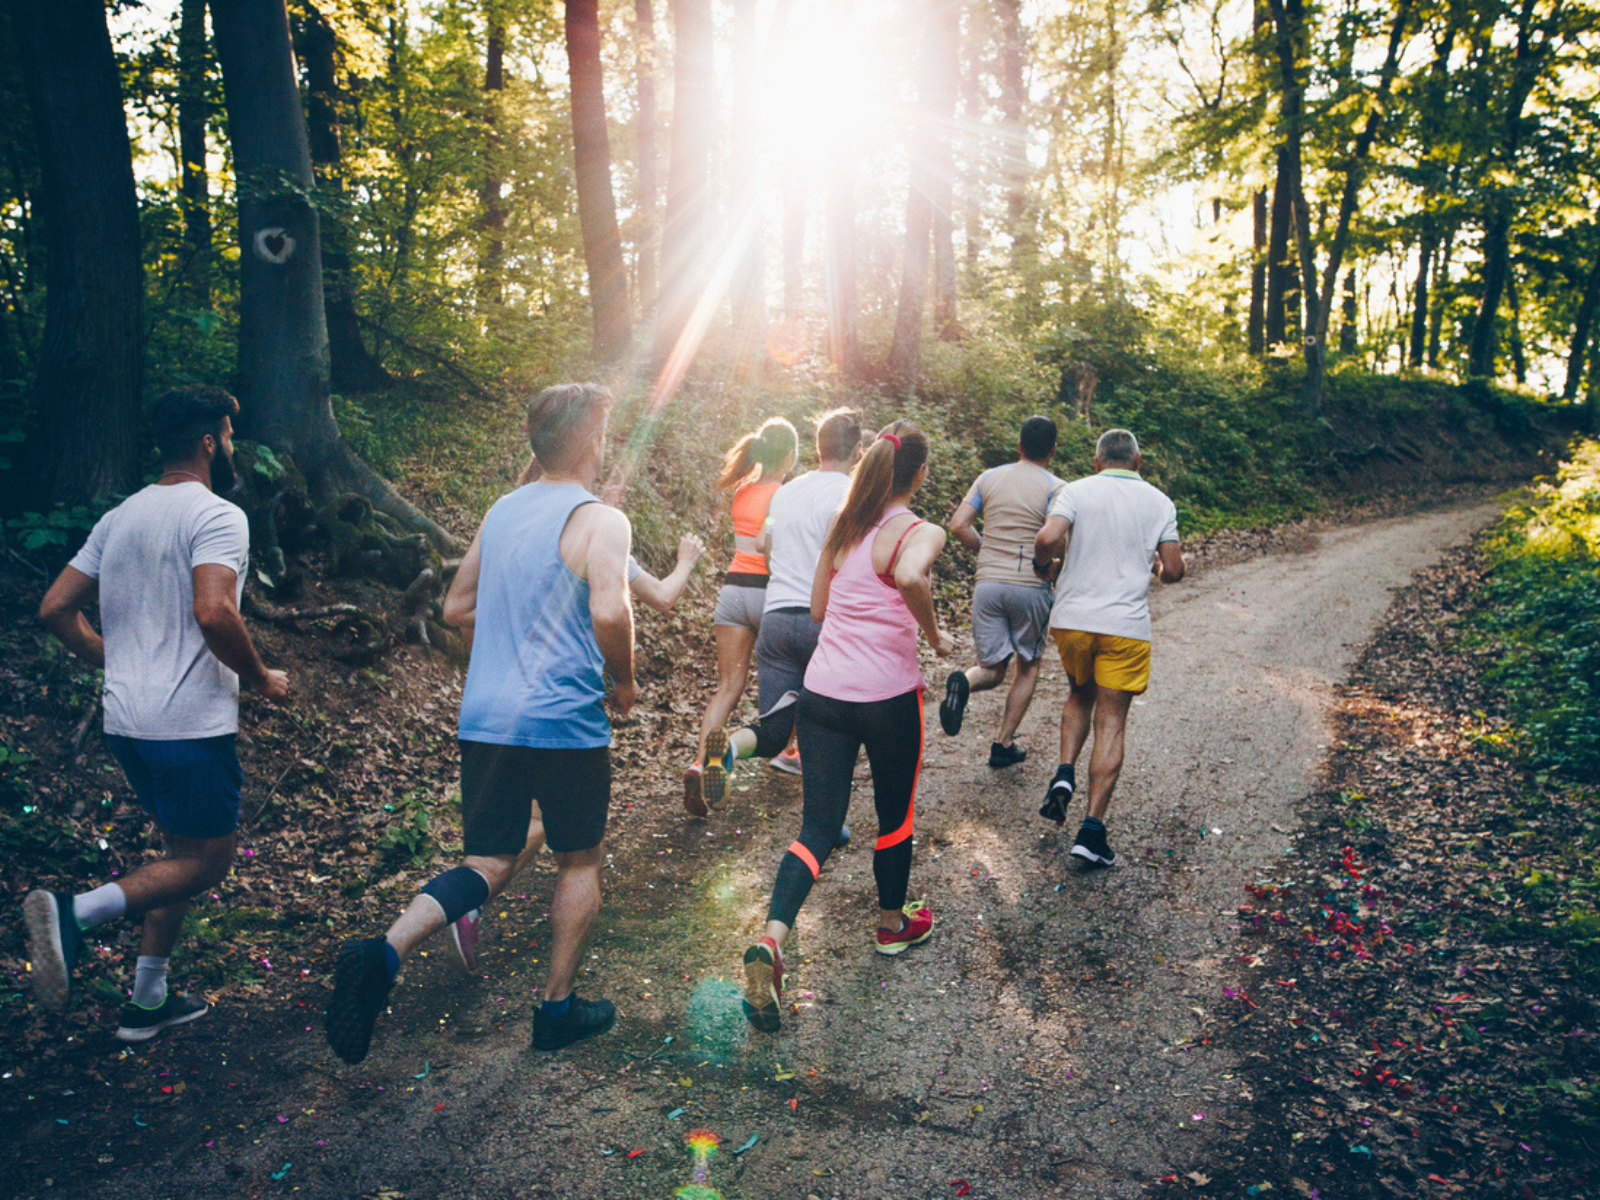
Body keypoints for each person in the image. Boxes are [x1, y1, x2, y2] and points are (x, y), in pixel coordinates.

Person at [324, 382, 635, 1063]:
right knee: (578, 858)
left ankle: (385, 950)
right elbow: (611, 614)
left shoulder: (502, 512)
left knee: (488, 860)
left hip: (487, 716)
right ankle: (555, 1009)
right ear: (590, 441)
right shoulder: (600, 519)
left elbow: (455, 607)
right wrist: (625, 680)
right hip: (563, 719)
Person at [24, 385, 290, 1042]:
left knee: (179, 852)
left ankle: (147, 1000)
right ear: (209, 442)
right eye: (227, 437)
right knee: (208, 862)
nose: (230, 447)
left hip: (128, 724)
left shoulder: (122, 517)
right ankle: (72, 915)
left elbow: (55, 607)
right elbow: (213, 611)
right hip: (185, 727)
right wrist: (259, 677)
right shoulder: (217, 515)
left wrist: (106, 655)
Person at [444, 454, 703, 973]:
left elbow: (457, 610)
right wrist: (688, 559)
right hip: (562, 708)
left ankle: (467, 901)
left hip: (495, 710)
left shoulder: (508, 525)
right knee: (570, 844)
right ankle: (550, 984)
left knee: (522, 827)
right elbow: (662, 598)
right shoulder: (595, 534)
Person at [742, 420, 950, 1033]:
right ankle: (891, 925)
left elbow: (817, 610)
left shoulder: (846, 528)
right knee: (895, 815)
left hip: (824, 695)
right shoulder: (918, 530)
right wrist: (934, 638)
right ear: (918, 475)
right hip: (888, 698)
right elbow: (911, 577)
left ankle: (773, 940)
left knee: (819, 825)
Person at [1031, 427, 1184, 868]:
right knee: (1112, 719)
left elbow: (1046, 538)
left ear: (1097, 461)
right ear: (1138, 461)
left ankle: (1064, 773)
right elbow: (1172, 569)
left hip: (1073, 622)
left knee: (1079, 695)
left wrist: (1045, 566)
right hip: (1124, 627)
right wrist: (1160, 569)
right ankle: (1091, 832)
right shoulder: (1159, 501)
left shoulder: (1076, 491)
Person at [698, 409, 863, 808]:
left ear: (818, 447)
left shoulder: (787, 492)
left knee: (773, 731)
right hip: (821, 619)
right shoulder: (852, 492)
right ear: (857, 451)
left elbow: (764, 546)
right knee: (832, 725)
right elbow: (849, 558)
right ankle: (826, 817)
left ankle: (730, 749)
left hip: (776, 618)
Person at [683, 418, 799, 815]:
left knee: (727, 687)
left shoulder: (743, 491)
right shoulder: (786, 495)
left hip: (733, 593)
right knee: (795, 674)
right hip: (770, 594)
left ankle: (701, 764)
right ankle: (791, 749)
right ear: (788, 455)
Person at [938, 416, 1063, 767]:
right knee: (1029, 664)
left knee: (991, 668)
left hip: (988, 584)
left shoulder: (988, 478)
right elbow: (1057, 537)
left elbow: (958, 525)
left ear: (1019, 445)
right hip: (1030, 586)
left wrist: (986, 550)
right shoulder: (1057, 487)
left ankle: (962, 682)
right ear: (1053, 450)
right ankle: (1003, 743)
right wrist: (1055, 568)